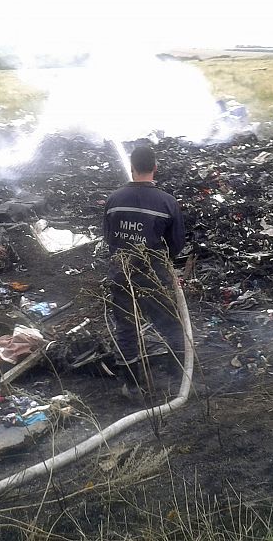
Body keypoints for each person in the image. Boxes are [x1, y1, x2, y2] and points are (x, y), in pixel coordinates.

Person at [102, 145, 186, 399]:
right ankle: (178, 375)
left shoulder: (114, 200)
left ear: (132, 168)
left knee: (126, 327)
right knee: (170, 324)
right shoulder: (167, 202)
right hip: (153, 275)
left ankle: (132, 385)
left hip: (121, 272)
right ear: (155, 168)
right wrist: (163, 262)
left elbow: (109, 238)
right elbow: (177, 243)